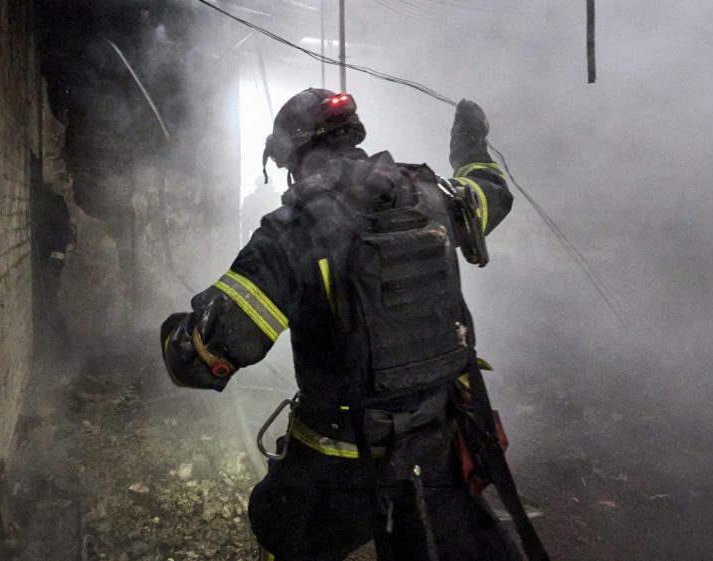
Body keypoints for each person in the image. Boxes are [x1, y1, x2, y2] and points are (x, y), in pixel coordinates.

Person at [160, 88, 525, 560]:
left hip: (338, 464)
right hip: (436, 447)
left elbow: (198, 360)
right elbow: (491, 191)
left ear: (290, 158)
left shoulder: (291, 232)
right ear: (352, 136)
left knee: (280, 530)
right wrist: (469, 142)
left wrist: (176, 333)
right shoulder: (432, 198)